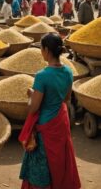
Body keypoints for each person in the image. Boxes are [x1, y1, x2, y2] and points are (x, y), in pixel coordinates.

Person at [19, 33, 81, 189]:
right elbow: (66, 99)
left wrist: (31, 95)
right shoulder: (68, 71)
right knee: (59, 159)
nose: (41, 51)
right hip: (60, 120)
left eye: (41, 48)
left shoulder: (42, 76)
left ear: (46, 50)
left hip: (45, 125)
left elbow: (34, 108)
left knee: (43, 163)